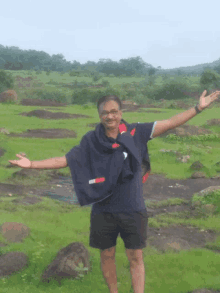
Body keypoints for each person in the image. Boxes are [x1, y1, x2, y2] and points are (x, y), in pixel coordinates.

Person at [9, 90, 220, 293]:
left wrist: (197, 108)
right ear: (99, 114)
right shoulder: (91, 141)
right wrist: (32, 164)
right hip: (103, 208)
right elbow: (65, 160)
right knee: (107, 255)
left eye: (114, 111)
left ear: (120, 112)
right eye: (105, 112)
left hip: (133, 207)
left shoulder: (137, 133)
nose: (110, 116)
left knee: (135, 256)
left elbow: (171, 122)